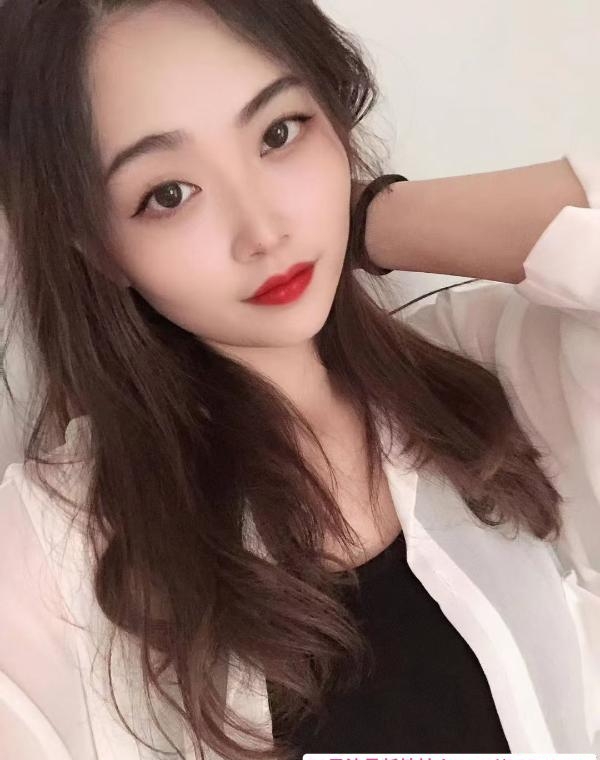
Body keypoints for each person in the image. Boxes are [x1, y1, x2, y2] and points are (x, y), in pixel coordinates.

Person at [0, 1, 598, 758]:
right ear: (97, 247)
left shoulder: (488, 371)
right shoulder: (47, 560)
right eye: (169, 194)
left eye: (280, 133)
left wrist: (374, 217)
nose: (264, 231)